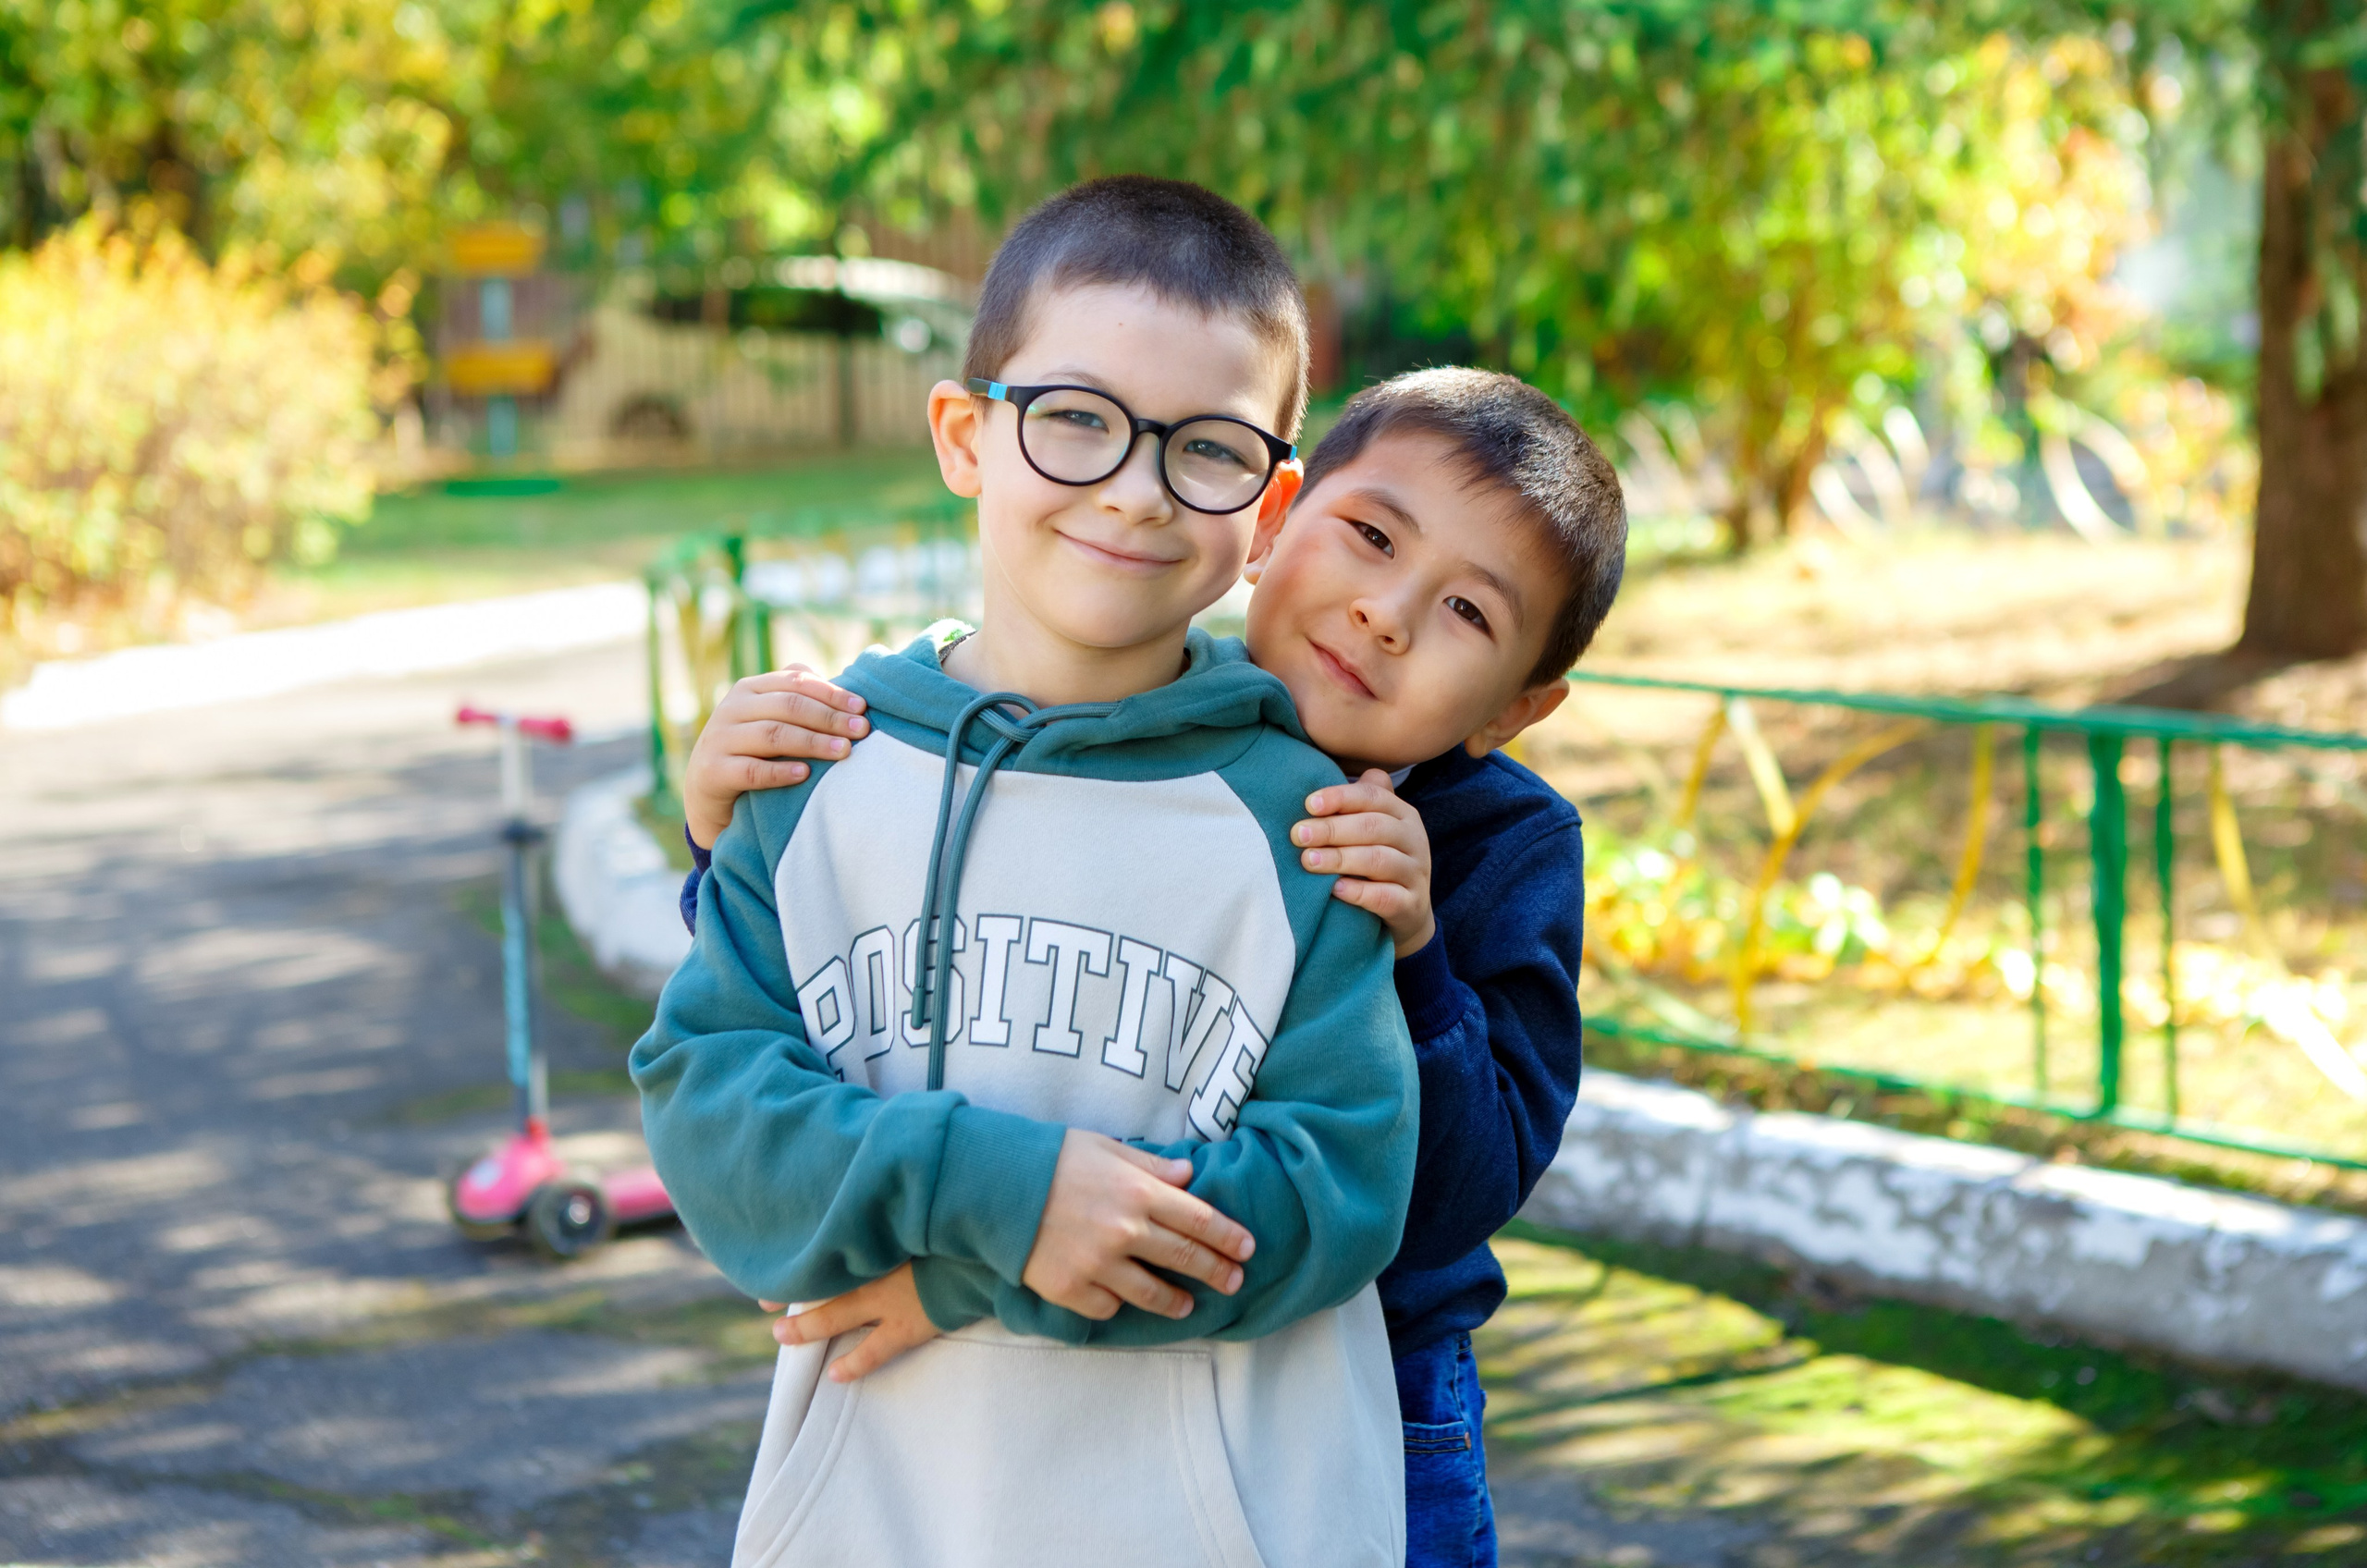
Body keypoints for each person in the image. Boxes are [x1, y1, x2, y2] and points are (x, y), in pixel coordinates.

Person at [680, 365, 1628, 1568]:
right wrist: (722, 845)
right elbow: (899, 987)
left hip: (1375, 1381)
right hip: (1063, 1381)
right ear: (1273, 528)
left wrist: (1420, 952)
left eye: (1469, 614)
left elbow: (1455, 1194)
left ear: (1517, 709)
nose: (1386, 611)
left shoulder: (1495, 843)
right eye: (1372, 535)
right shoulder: (1121, 728)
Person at [632, 176, 1422, 1568]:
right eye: (1075, 420)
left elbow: (1338, 1183)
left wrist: (974, 1266)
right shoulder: (813, 771)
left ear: (1272, 508)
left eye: (1208, 450)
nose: (1134, 490)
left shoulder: (1310, 824)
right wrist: (1002, 1191)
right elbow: (711, 1112)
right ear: (964, 435)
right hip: (875, 1518)